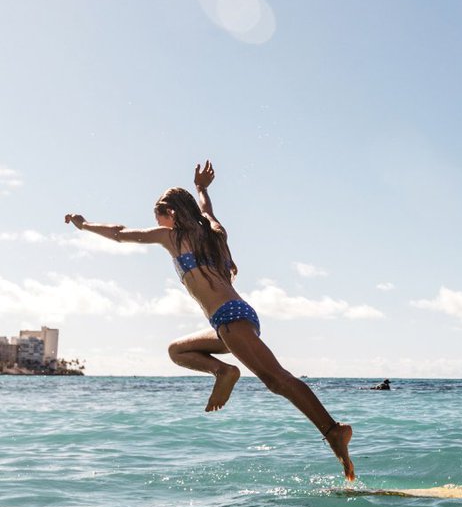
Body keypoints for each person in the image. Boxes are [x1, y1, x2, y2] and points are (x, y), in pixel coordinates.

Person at [65, 161, 354, 480]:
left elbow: (120, 234)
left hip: (230, 318)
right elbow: (207, 210)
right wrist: (201, 188)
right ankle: (224, 371)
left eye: (158, 216)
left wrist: (84, 225)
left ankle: (333, 430)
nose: (157, 223)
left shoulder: (171, 237)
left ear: (170, 212)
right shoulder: (215, 234)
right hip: (235, 317)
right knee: (177, 351)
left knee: (276, 379)